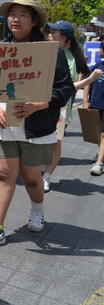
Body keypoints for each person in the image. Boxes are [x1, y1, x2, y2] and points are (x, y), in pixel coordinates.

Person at [0, 0, 74, 248]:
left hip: (37, 128)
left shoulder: (51, 52)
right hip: (3, 126)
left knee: (31, 179)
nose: (15, 18)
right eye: (12, 13)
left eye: (22, 14)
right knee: (3, 175)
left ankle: (37, 210)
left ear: (35, 20)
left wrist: (40, 104)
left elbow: (66, 88)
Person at [42, 21, 101, 190]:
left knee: (55, 143)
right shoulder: (45, 51)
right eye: (50, 31)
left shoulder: (69, 58)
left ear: (64, 38)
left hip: (59, 107)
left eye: (54, 32)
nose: (50, 35)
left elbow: (68, 87)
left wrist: (89, 81)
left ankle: (47, 176)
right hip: (39, 104)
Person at [84, 40, 104, 176]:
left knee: (103, 134)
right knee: (98, 133)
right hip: (96, 104)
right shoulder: (98, 65)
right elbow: (88, 82)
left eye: (100, 48)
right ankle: (101, 153)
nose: (98, 50)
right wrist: (85, 101)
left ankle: (99, 163)